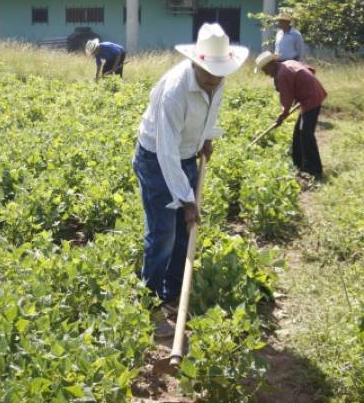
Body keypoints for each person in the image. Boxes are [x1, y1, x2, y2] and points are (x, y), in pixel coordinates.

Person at [133, 23, 248, 338]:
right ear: (195, 62)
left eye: (219, 74)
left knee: (186, 230)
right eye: (208, 73)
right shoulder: (175, 91)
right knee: (163, 233)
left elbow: (210, 111)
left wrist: (206, 137)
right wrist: (186, 200)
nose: (214, 80)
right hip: (157, 159)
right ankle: (148, 301)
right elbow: (166, 153)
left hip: (185, 154)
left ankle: (172, 293)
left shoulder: (217, 79)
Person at [254, 51, 327, 180]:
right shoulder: (288, 63)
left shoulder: (282, 74)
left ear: (271, 65)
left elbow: (286, 101)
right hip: (311, 95)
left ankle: (315, 171)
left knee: (306, 134)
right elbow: (310, 70)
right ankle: (300, 165)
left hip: (311, 99)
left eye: (265, 70)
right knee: (298, 133)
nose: (266, 74)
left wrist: (281, 117)